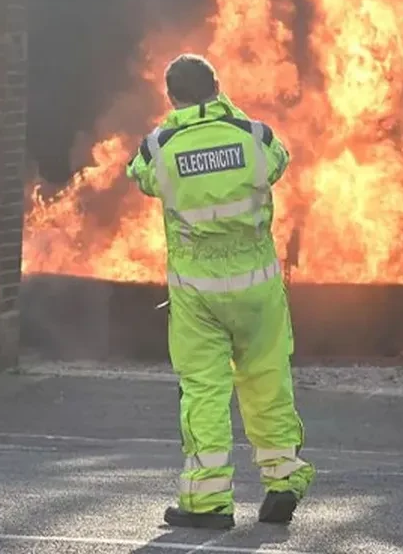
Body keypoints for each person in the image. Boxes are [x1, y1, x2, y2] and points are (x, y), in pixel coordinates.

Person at [126, 53, 315, 530]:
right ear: (218, 85)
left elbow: (139, 175)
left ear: (172, 96)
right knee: (268, 382)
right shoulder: (255, 136)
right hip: (258, 289)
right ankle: (283, 482)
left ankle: (208, 503)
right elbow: (279, 162)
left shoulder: (160, 147)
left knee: (205, 392)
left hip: (198, 295)